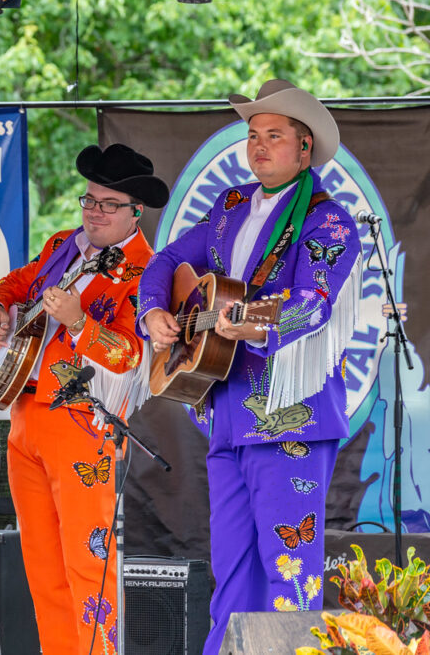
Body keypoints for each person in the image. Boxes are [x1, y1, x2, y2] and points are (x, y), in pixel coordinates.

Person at [138, 79, 361, 652]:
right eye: (253, 135)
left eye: (274, 136)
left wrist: (256, 323)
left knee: (288, 568)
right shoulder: (230, 205)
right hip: (228, 414)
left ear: (304, 148)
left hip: (291, 417)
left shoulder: (328, 221)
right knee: (231, 570)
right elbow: (166, 258)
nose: (258, 146)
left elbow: (314, 301)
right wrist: (156, 311)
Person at [0, 143, 167, 654]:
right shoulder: (62, 243)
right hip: (25, 418)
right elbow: (13, 284)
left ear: (136, 211)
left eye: (109, 205)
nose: (95, 212)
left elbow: (131, 357)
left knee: (88, 567)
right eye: (89, 200)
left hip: (85, 425)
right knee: (42, 569)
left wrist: (80, 324)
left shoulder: (148, 272)